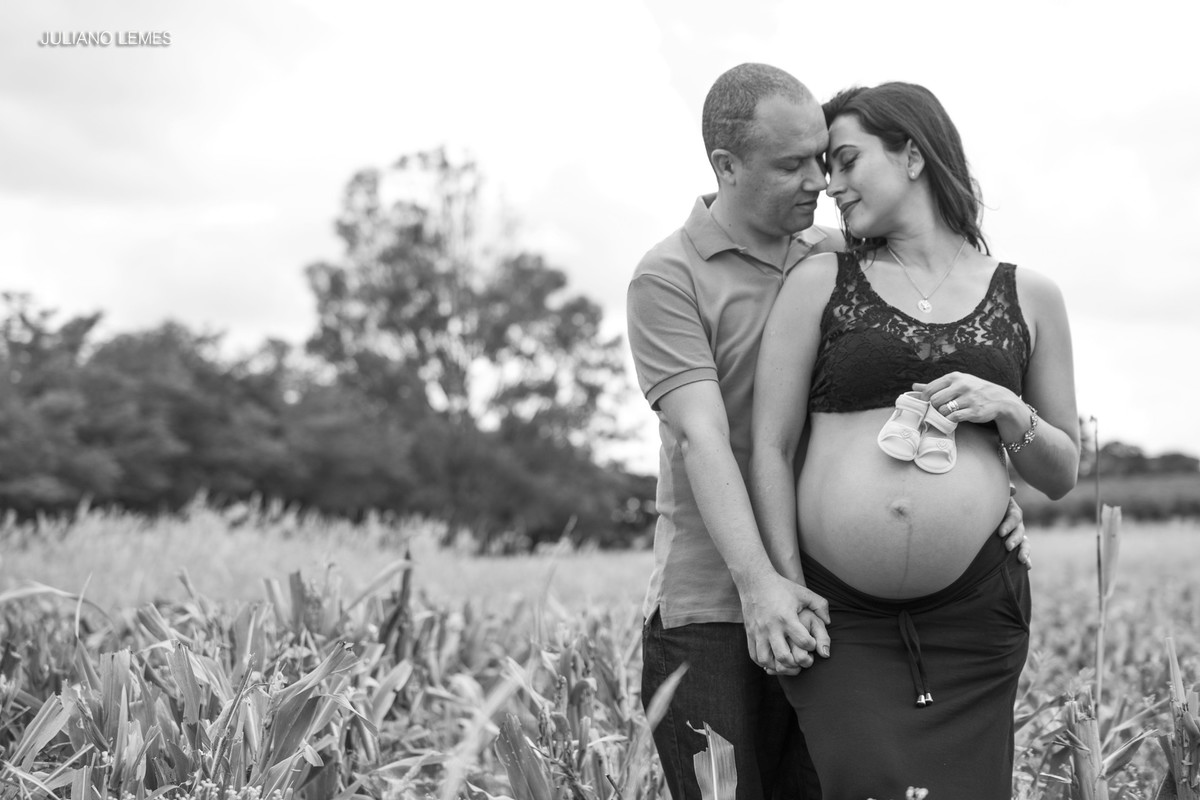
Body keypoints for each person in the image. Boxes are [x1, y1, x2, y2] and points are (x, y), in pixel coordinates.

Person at [627, 66, 1031, 800]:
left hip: (831, 607)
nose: (817, 179)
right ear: (726, 167)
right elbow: (703, 440)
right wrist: (762, 586)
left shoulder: (840, 257)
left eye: (822, 156)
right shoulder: (668, 277)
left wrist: (981, 494)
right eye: (791, 165)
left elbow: (905, 383)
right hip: (715, 607)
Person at [749, 81, 1080, 800]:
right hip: (844, 620)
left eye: (845, 161)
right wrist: (783, 580)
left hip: (975, 618)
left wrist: (1007, 409)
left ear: (911, 154)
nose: (831, 186)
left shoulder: (1032, 296)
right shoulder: (819, 281)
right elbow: (768, 447)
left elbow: (1062, 474)